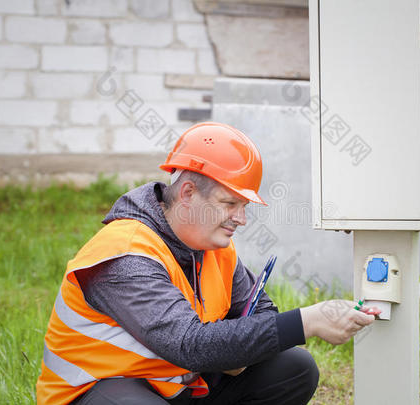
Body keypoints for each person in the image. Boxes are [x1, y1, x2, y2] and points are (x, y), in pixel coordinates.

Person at [36, 122, 376, 404]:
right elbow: (189, 344)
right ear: (187, 193)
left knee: (293, 367)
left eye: (244, 206)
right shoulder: (125, 253)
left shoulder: (214, 247)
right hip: (99, 390)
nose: (241, 219)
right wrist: (308, 321)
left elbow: (262, 314)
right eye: (229, 203)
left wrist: (236, 351)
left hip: (176, 385)